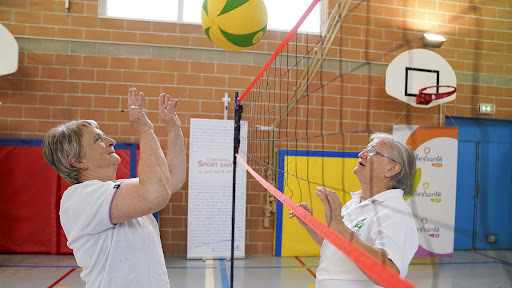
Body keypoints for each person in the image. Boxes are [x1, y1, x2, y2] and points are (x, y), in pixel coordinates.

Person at [42, 88, 186, 288]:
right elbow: (155, 194)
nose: (111, 141)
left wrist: (174, 129)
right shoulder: (80, 198)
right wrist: (145, 130)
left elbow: (171, 180)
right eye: (98, 139)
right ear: (77, 161)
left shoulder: (118, 190)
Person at [290, 132, 418, 288]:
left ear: (392, 169)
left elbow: (388, 276)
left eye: (372, 152)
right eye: (365, 149)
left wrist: (340, 227)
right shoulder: (353, 204)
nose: (361, 154)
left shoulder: (395, 212)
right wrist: (310, 224)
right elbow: (336, 247)